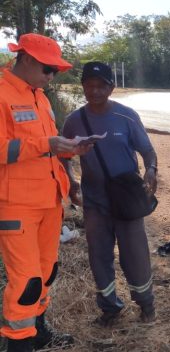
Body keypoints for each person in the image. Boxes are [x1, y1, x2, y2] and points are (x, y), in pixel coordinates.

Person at [0, 33, 89, 352]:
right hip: (16, 205)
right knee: (26, 281)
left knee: (47, 270)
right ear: (26, 60)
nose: (51, 77)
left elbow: (46, 148)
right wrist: (45, 144)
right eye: (48, 69)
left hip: (50, 201)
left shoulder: (40, 98)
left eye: (55, 71)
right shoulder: (2, 93)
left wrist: (66, 153)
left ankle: (37, 329)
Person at [62, 62, 158, 329]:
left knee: (135, 255)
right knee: (99, 257)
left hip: (126, 200)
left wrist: (151, 169)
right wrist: (71, 181)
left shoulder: (126, 116)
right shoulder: (74, 121)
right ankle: (109, 307)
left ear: (111, 88)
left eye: (100, 86)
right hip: (94, 202)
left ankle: (146, 304)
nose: (94, 91)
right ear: (82, 87)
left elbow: (147, 151)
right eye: (89, 86)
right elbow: (63, 154)